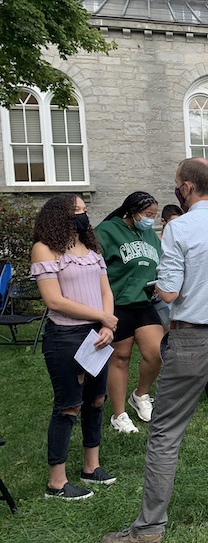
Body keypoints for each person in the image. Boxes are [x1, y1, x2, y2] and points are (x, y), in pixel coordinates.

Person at [102, 157, 208, 543]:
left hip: (192, 338)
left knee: (165, 431)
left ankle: (149, 528)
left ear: (187, 187)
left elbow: (170, 292)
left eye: (177, 184)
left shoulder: (179, 228)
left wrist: (158, 288)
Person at [31, 194, 118, 500]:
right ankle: (57, 482)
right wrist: (102, 317)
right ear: (58, 216)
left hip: (98, 334)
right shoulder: (44, 249)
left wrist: (107, 324)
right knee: (68, 405)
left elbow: (105, 290)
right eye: (76, 212)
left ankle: (91, 467)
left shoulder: (91, 247)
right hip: (66, 337)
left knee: (96, 399)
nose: (83, 216)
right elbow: (54, 300)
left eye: (84, 210)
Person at [94, 192, 162, 434]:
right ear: (133, 211)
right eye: (148, 214)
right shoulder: (107, 230)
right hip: (118, 303)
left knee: (156, 353)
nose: (151, 219)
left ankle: (140, 395)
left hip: (143, 301)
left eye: (154, 215)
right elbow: (93, 265)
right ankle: (119, 414)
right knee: (120, 358)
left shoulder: (150, 234)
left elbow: (159, 260)